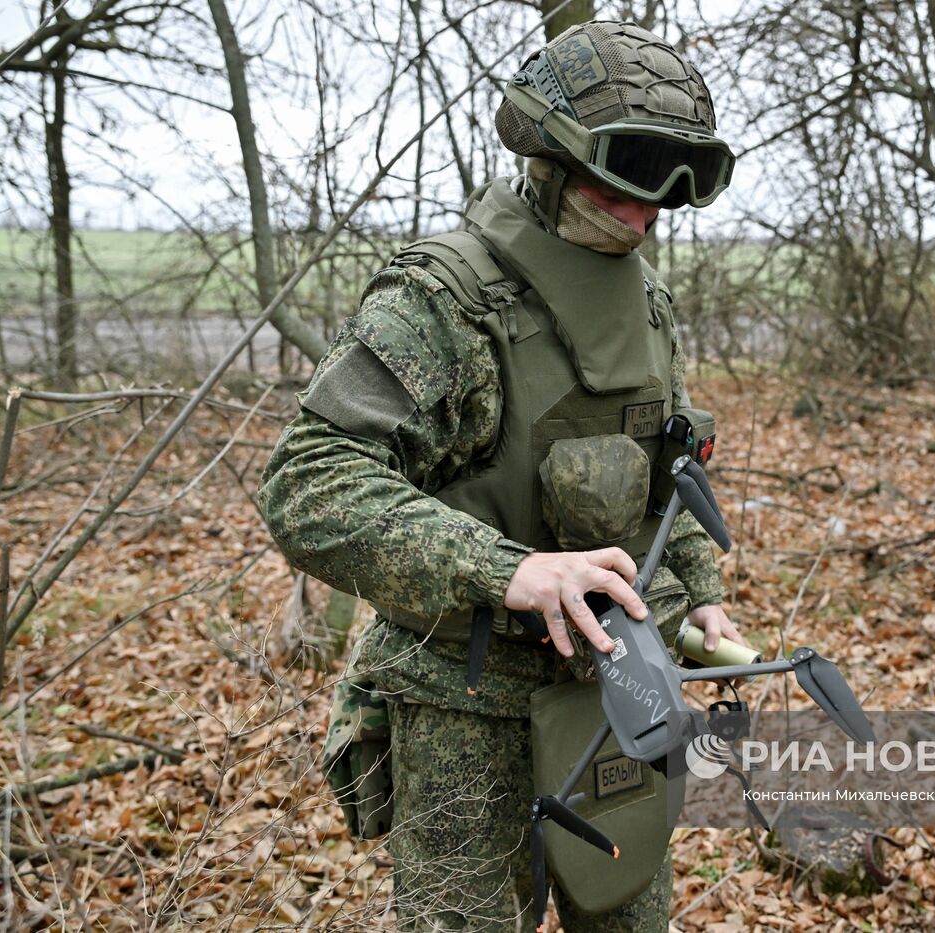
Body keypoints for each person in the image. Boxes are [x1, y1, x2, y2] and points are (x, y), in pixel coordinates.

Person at [257, 20, 746, 932]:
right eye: (633, 170)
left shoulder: (646, 300)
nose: (654, 210)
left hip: (620, 693)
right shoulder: (444, 298)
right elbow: (308, 481)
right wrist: (508, 570)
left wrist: (702, 590)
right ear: (553, 155)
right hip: (463, 705)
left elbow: (663, 466)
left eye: (683, 179)